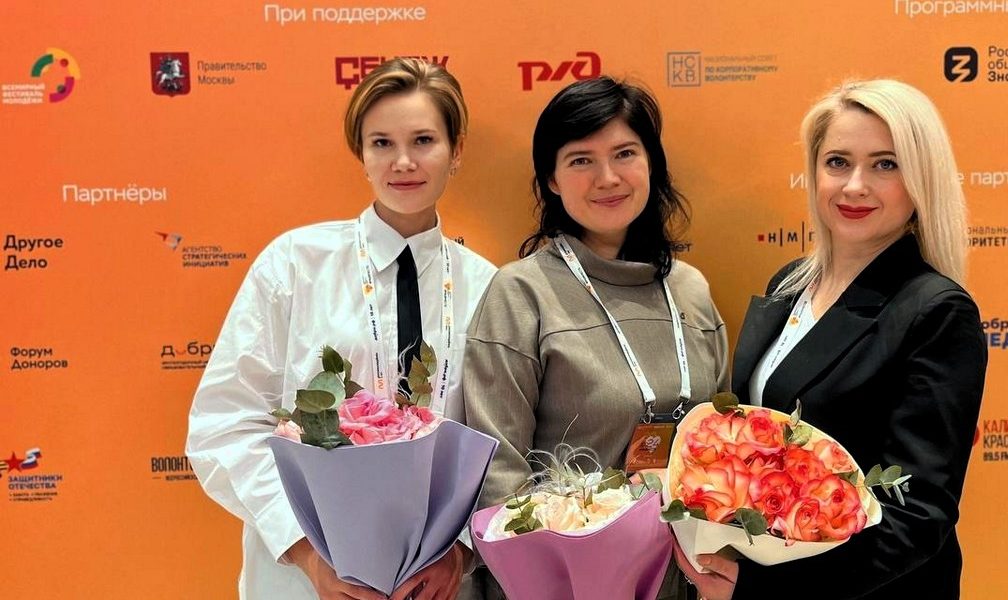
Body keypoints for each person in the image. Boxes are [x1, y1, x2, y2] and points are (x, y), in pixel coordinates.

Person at [186, 58, 497, 600]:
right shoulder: (294, 265)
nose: (403, 161)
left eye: (423, 140)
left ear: (457, 150)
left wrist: (464, 552)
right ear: (361, 154)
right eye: (382, 143)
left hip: (437, 585)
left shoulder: (487, 286)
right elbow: (224, 424)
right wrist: (306, 552)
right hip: (306, 581)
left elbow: (504, 442)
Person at [678, 79, 987, 600]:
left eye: (885, 164)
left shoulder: (936, 310)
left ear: (921, 179)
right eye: (838, 162)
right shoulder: (789, 284)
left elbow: (917, 516)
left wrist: (765, 588)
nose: (855, 186)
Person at [462, 76, 730, 599]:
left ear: (651, 163)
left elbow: (720, 443)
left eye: (624, 154)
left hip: (684, 581)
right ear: (552, 179)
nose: (607, 178)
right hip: (564, 587)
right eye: (581, 160)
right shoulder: (522, 293)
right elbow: (499, 475)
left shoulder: (691, 291)